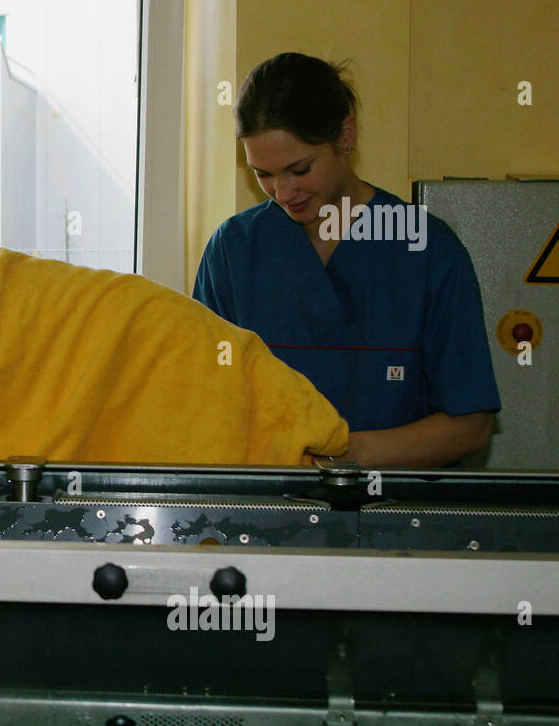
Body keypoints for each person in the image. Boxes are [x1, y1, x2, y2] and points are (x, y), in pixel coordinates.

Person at [193, 53, 499, 468]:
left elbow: (470, 425)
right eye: (262, 174)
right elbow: (206, 404)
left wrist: (346, 455)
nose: (283, 192)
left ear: (345, 136)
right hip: (266, 518)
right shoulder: (234, 252)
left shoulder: (425, 250)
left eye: (300, 169)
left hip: (394, 519)